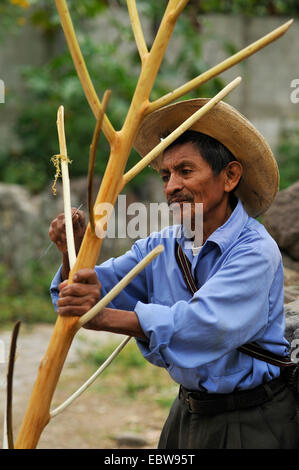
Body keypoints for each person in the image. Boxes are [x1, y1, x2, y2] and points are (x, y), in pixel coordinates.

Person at [49, 98, 299, 449]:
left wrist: (103, 316)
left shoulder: (255, 250)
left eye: (185, 171)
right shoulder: (161, 244)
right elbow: (90, 288)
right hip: (186, 415)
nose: (170, 187)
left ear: (230, 176)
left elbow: (205, 326)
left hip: (252, 421)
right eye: (166, 175)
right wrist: (70, 257)